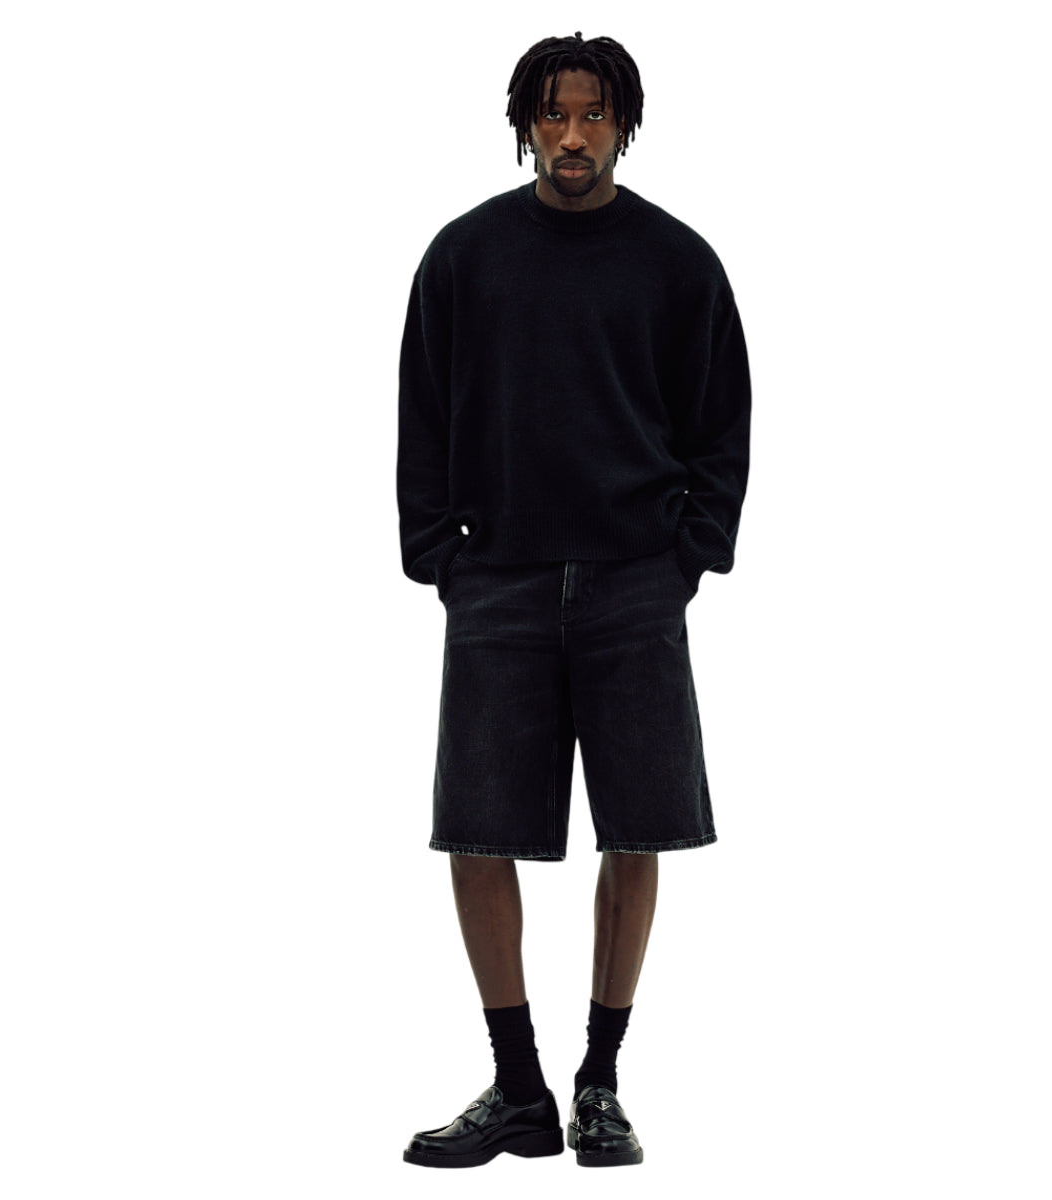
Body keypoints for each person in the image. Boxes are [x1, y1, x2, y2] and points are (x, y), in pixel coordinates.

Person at [397, 31, 751, 1169]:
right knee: (477, 829)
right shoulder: (464, 256)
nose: (573, 135)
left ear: (623, 125)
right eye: (553, 114)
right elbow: (421, 411)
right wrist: (438, 557)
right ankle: (518, 1089)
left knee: (638, 827)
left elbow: (721, 425)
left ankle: (600, 1082)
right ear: (525, 125)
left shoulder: (678, 264)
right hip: (495, 582)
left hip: (635, 587)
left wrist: (688, 557)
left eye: (594, 114)